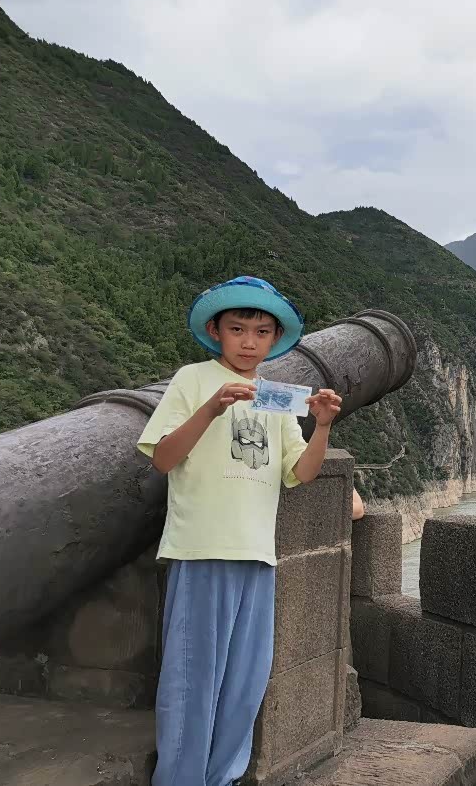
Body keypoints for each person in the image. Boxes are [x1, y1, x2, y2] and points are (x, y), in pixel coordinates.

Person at [136, 275, 364, 786]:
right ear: (215, 331)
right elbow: (163, 459)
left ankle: (222, 778)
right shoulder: (193, 379)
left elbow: (300, 473)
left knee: (245, 683)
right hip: (201, 548)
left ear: (274, 338)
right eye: (237, 329)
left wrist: (323, 425)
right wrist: (212, 407)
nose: (248, 341)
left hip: (259, 555)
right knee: (192, 680)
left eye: (261, 332)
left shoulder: (274, 397)